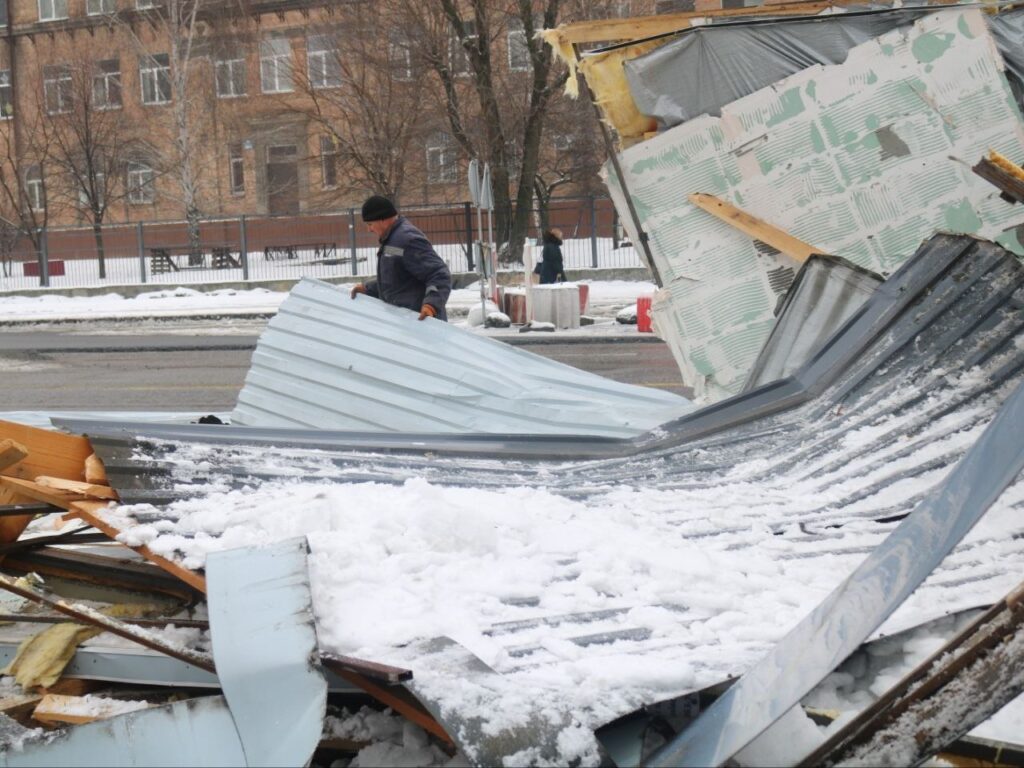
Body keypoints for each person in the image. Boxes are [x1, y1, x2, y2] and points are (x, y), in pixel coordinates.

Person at [350, 196, 452, 321]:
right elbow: (397, 279)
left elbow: (439, 274)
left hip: (422, 323)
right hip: (405, 322)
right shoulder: (392, 240)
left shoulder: (408, 240)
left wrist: (431, 305)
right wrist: (368, 289)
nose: (369, 229)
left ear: (382, 219)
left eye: (370, 224)